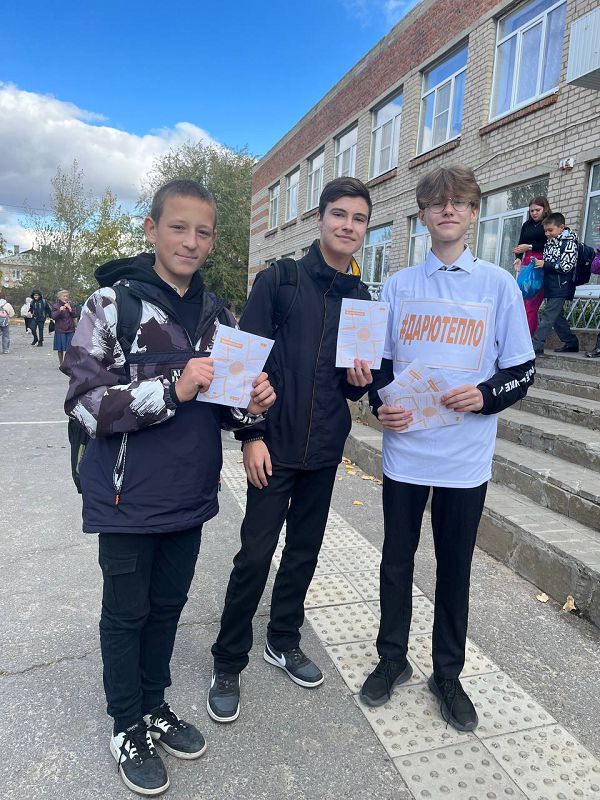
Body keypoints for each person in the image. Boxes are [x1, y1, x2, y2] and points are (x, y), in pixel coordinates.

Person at [61, 179, 276, 797]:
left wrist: (253, 404)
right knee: (125, 614)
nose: (190, 241)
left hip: (189, 494)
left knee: (167, 608)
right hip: (126, 498)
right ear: (152, 230)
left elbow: (228, 404)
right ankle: (126, 724)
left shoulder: (219, 313)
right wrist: (174, 389)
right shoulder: (111, 305)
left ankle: (154, 705)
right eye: (178, 227)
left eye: (203, 232)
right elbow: (85, 404)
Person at [359, 165, 535, 732]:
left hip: (465, 460)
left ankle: (448, 674)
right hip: (406, 453)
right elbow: (378, 365)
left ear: (475, 213)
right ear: (422, 215)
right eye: (438, 203)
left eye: (459, 202)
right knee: (395, 560)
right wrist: (378, 403)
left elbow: (522, 370)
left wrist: (485, 396)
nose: (449, 210)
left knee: (454, 567)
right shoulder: (399, 285)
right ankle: (392, 659)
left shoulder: (498, 286)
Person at [207, 177, 374, 723]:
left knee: (304, 552)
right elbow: (237, 369)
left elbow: (351, 387)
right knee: (255, 556)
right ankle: (228, 659)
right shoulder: (278, 280)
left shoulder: (361, 299)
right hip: (272, 446)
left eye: (359, 218)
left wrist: (360, 380)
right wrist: (251, 436)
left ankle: (283, 639)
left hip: (324, 449)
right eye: (339, 214)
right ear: (319, 219)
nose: (348, 225)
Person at [531, 212, 579, 355]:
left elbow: (566, 266)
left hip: (562, 285)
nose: (547, 234)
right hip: (551, 284)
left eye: (550, 230)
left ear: (561, 227)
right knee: (557, 317)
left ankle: (536, 345)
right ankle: (571, 342)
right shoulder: (549, 243)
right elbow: (548, 263)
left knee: (548, 316)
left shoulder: (569, 243)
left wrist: (545, 264)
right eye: (545, 231)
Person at [512, 196, 551, 336]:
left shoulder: (549, 223)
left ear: (545, 209)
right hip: (526, 264)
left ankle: (527, 338)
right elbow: (520, 243)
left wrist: (529, 247)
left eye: (537, 210)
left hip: (540, 264)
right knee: (522, 301)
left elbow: (550, 244)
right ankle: (523, 335)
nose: (534, 213)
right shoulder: (527, 225)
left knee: (532, 303)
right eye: (532, 210)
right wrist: (518, 258)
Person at [50, 289, 78, 367]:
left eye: (67, 296)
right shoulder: (56, 306)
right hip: (60, 330)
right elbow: (53, 317)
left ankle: (68, 363)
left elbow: (75, 315)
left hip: (70, 329)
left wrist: (70, 309)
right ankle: (61, 363)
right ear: (59, 297)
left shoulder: (70, 305)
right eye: (64, 296)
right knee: (60, 348)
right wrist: (60, 310)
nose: (65, 298)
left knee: (70, 348)